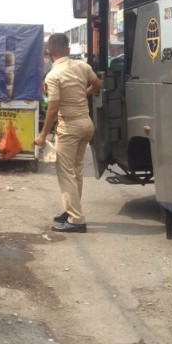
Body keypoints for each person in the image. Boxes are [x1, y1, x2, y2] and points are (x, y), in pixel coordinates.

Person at [34, 33, 102, 233]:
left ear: (49, 52)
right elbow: (97, 84)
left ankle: (76, 220)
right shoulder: (82, 66)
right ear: (68, 48)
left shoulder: (54, 75)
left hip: (70, 127)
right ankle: (71, 210)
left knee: (65, 173)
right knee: (76, 170)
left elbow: (53, 108)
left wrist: (42, 135)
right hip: (86, 124)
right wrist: (84, 93)